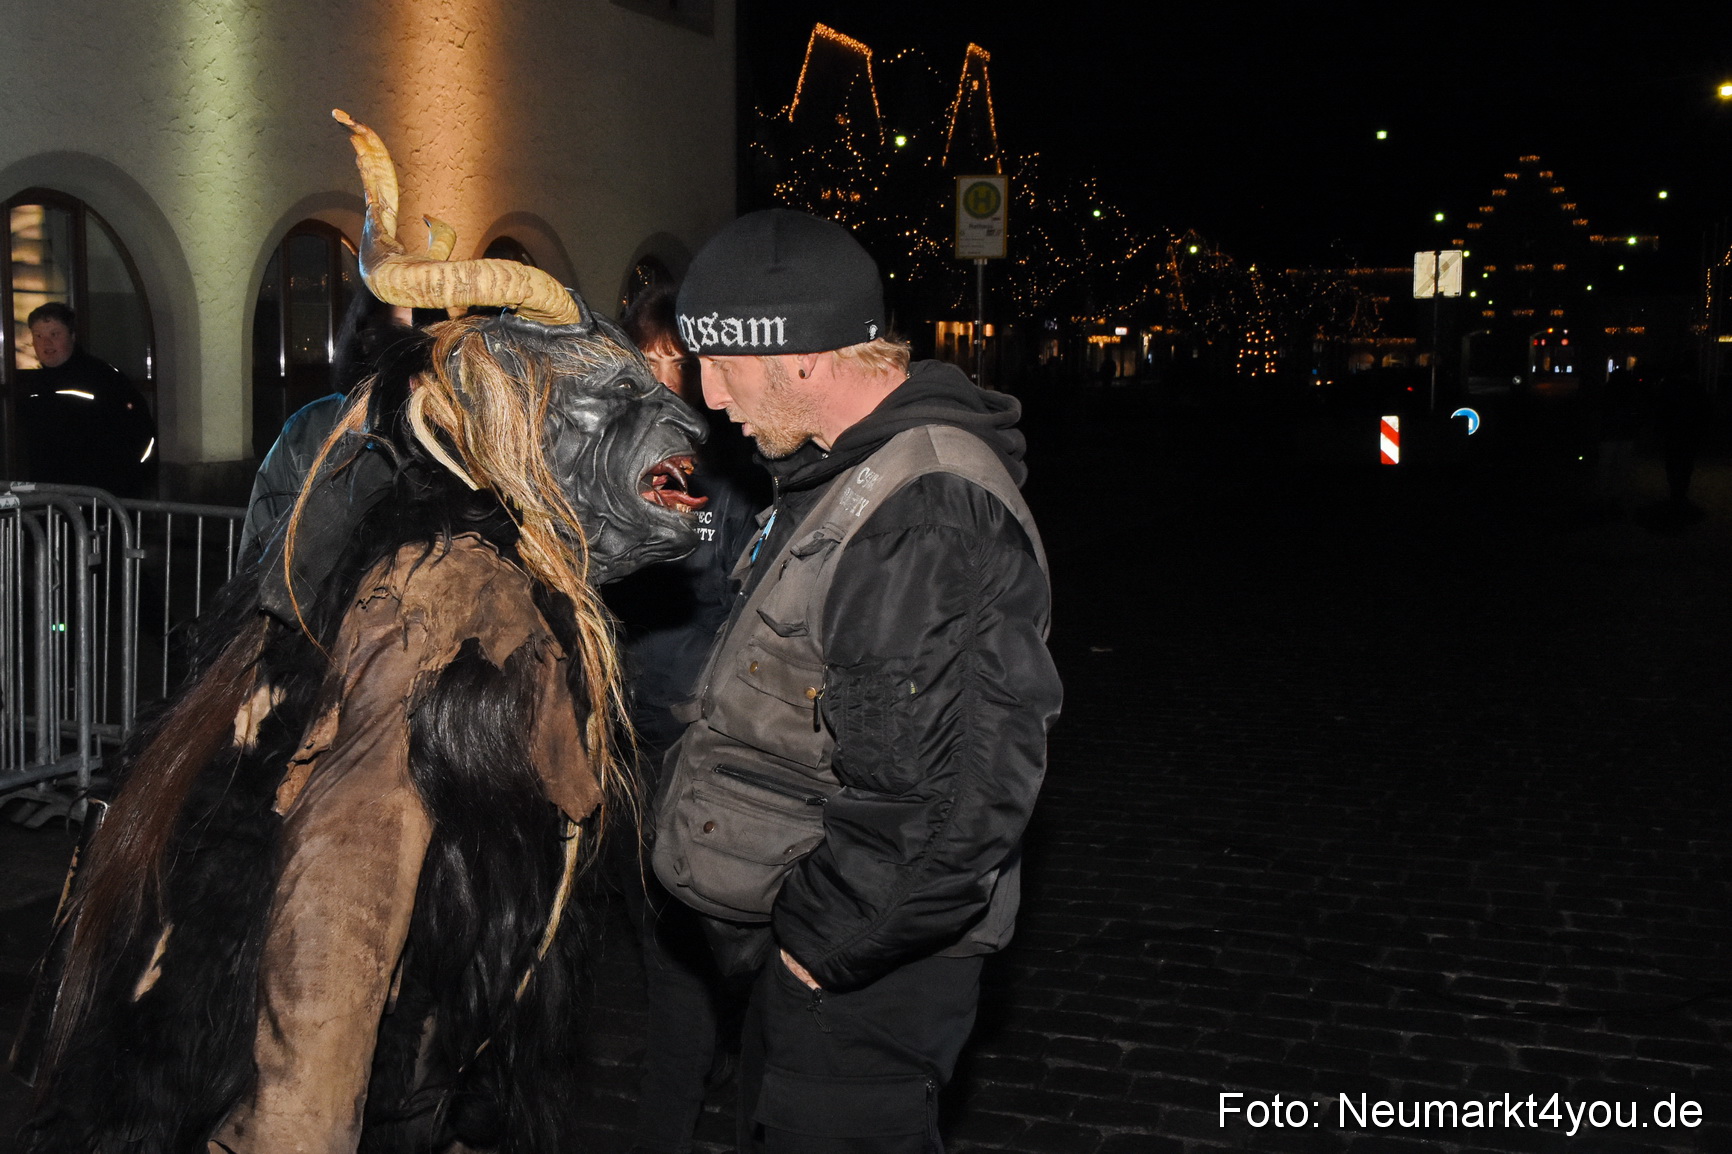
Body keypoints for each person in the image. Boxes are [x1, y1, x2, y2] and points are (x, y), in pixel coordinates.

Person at [18, 111, 709, 1154]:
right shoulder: (436, 592)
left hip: (438, 1042)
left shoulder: (514, 573)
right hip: (372, 1034)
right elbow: (340, 910)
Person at [651, 209, 1061, 1152]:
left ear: (800, 356)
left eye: (724, 365)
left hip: (867, 972)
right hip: (838, 953)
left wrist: (813, 948)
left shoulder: (924, 512)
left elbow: (950, 803)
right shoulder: (855, 474)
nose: (710, 398)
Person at [608, 280, 765, 1154]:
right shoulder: (618, 459)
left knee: (696, 940)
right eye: (648, 355)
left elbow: (745, 600)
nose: (660, 373)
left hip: (707, 741)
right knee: (659, 929)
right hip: (631, 732)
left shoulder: (730, 466)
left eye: (674, 357)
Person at [15, 301, 157, 496]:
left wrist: (124, 485)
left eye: (54, 334)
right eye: (38, 336)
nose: (45, 344)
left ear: (72, 336)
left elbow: (140, 434)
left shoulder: (102, 379)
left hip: (100, 503)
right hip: (50, 504)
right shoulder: (35, 387)